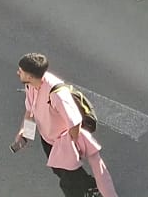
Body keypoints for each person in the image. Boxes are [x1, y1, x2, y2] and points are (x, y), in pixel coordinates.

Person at [14, 52, 118, 197]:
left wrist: (70, 146)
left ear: (30, 76)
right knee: (60, 171)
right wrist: (26, 133)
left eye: (20, 71)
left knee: (68, 184)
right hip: (48, 140)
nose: (17, 72)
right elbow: (31, 110)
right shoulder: (30, 85)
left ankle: (90, 191)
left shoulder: (57, 93)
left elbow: (75, 122)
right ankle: (91, 187)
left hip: (63, 142)